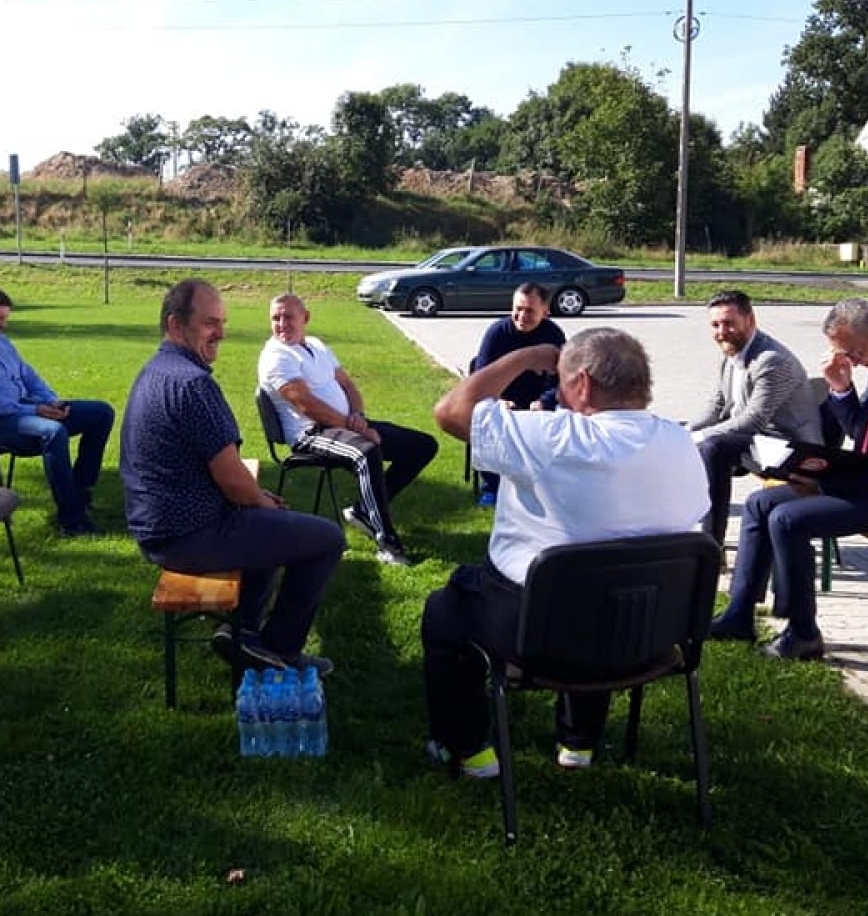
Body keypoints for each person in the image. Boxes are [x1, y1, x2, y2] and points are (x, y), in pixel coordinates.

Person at [422, 328, 708, 776]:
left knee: (446, 609)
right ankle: (579, 744)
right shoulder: (681, 444)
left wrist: (523, 357)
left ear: (584, 384)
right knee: (608, 579)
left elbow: (451, 411)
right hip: (649, 636)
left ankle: (469, 750)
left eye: (561, 379)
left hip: (542, 634)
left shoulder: (552, 438)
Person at [711, 298, 868, 660]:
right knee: (760, 504)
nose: (853, 361)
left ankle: (803, 634)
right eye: (846, 353)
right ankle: (739, 615)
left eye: (856, 352)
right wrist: (841, 390)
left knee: (789, 519)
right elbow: (866, 434)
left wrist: (823, 483)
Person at [121, 279, 346, 672]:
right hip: (185, 535)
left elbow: (228, 478)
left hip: (161, 526)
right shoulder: (191, 384)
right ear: (176, 326)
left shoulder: (157, 369)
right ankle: (279, 649)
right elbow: (233, 482)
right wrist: (261, 501)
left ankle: (241, 632)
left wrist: (258, 503)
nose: (221, 333)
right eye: (210, 323)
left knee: (268, 522)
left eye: (222, 322)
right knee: (326, 539)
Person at [257, 293, 438, 565]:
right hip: (311, 433)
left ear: (305, 318)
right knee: (365, 452)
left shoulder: (316, 344)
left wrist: (358, 416)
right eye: (276, 318)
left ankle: (365, 511)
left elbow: (347, 384)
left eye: (288, 317)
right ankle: (387, 543)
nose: (282, 323)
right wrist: (360, 431)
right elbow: (306, 405)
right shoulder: (276, 356)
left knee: (422, 446)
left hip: (345, 424)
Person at [0, 286, 115, 536]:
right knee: (53, 433)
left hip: (24, 408)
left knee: (101, 413)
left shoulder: (1, 342)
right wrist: (33, 410)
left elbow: (27, 374)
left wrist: (51, 401)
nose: (3, 325)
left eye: (5, 318)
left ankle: (79, 493)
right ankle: (71, 519)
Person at [685, 289, 821, 547]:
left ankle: (712, 545)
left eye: (729, 323)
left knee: (712, 449)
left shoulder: (771, 361)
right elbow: (717, 404)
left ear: (750, 320)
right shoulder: (730, 353)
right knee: (694, 446)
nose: (721, 332)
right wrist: (684, 431)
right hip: (759, 442)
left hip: (791, 449)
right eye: (715, 325)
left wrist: (699, 437)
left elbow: (752, 420)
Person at [470, 282, 567, 506]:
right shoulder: (497, 332)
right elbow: (481, 374)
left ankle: (540, 484)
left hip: (537, 401)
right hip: (501, 398)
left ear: (545, 311)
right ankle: (493, 487)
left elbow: (562, 380)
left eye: (530, 311)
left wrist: (544, 400)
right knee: (489, 420)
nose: (522, 316)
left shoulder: (553, 335)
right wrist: (499, 399)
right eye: (518, 309)